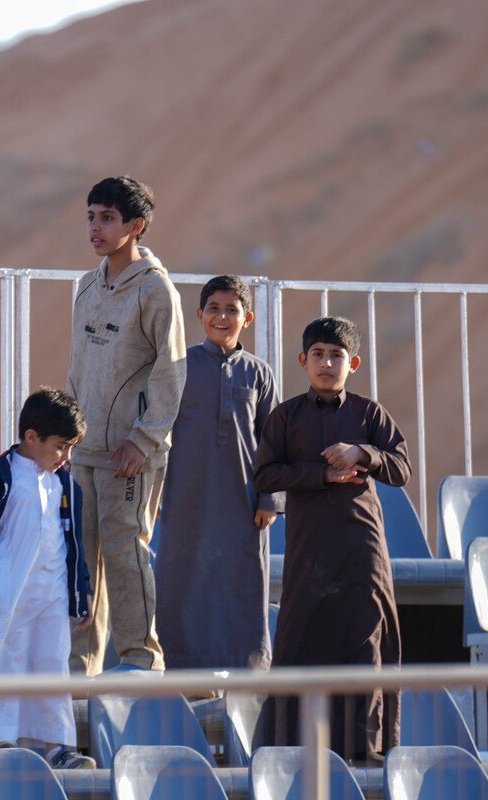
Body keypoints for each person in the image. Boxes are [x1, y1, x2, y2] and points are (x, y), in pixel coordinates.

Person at [254, 316, 410, 762]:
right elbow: (265, 474)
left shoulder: (369, 413)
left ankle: (367, 756)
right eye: (318, 354)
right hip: (309, 552)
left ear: (352, 363)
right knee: (298, 642)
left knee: (366, 642)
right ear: (303, 361)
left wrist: (363, 452)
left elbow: (401, 468)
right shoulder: (286, 416)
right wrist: (321, 474)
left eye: (336, 355)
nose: (326, 363)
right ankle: (287, 757)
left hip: (362, 548)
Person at [66, 176, 186, 675]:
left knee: (125, 554)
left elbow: (171, 371)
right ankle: (80, 671)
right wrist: (66, 436)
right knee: (79, 560)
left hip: (131, 455)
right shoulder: (86, 286)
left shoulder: (156, 291)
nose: (95, 228)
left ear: (136, 225)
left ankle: (142, 662)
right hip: (83, 451)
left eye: (107, 218)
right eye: (91, 217)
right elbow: (78, 370)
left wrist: (145, 439)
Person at [0, 387, 96, 769]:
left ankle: (57, 746)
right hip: (7, 592)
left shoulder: (66, 486)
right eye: (61, 447)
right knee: (0, 660)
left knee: (52, 664)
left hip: (51, 595)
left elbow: (75, 544)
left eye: (70, 448)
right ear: (32, 437)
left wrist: (81, 591)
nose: (66, 457)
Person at [155, 275, 284, 671]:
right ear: (199, 315)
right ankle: (181, 672)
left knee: (243, 581)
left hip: (243, 503)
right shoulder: (179, 367)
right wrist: (154, 491)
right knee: (181, 580)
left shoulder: (259, 373)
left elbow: (274, 441)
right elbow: (157, 432)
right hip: (184, 496)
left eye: (232, 310)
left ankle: (246, 674)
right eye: (214, 309)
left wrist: (270, 499)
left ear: (247, 319)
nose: (222, 317)